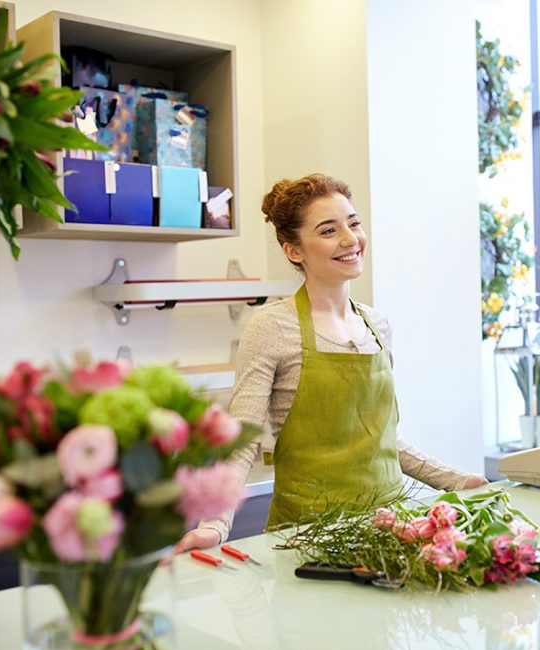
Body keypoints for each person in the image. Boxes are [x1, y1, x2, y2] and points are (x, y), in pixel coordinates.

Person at [176, 173, 487, 553]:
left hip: (392, 528)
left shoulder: (377, 324)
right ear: (294, 250)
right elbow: (242, 442)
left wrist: (458, 481)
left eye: (353, 223)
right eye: (328, 231)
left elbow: (381, 438)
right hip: (309, 537)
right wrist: (216, 525)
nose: (350, 239)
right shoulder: (272, 326)